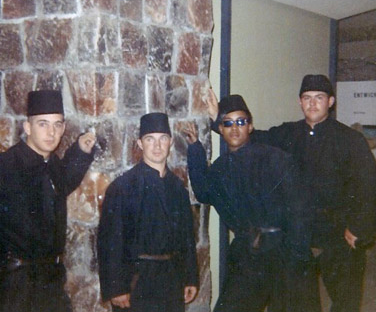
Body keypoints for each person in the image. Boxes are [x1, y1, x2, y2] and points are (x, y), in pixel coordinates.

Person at [209, 75, 376, 312]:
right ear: (300, 102)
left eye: (319, 98)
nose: (312, 104)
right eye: (307, 98)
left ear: (331, 101)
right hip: (298, 235)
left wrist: (359, 228)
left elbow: (368, 187)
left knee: (345, 302)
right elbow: (248, 136)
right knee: (301, 303)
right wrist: (219, 118)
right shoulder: (287, 134)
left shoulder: (351, 140)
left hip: (339, 234)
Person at [185, 94, 319, 312]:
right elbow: (204, 192)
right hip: (248, 253)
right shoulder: (220, 169)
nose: (235, 129)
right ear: (220, 128)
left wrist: (297, 254)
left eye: (241, 122)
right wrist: (195, 150)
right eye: (227, 123)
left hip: (285, 251)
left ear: (250, 126)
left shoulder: (275, 158)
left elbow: (300, 209)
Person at [0, 90, 96, 312]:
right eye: (43, 124)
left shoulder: (51, 166)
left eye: (57, 125)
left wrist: (80, 152)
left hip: (50, 288)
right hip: (10, 292)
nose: (52, 133)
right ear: (28, 128)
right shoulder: (1, 169)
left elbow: (62, 182)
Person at [97, 112, 198, 312]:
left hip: (171, 281)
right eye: (150, 139)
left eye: (163, 139)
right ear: (140, 144)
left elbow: (187, 238)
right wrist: (116, 288)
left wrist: (190, 278)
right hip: (137, 283)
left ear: (170, 142)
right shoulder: (123, 187)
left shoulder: (178, 188)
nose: (157, 146)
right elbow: (110, 242)